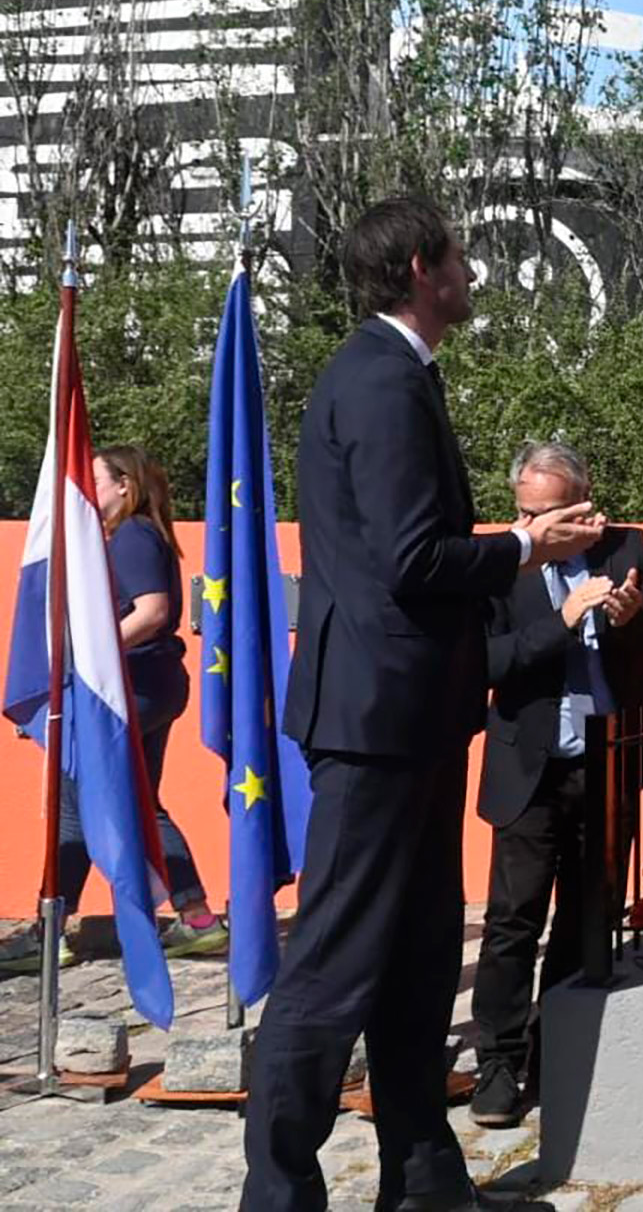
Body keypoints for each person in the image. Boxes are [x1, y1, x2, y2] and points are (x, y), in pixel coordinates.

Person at [242, 197, 604, 1212]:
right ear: (417, 269)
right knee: (333, 964)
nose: (470, 272)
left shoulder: (392, 374)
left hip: (413, 715)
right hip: (377, 724)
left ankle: (424, 1182)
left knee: (411, 960)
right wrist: (531, 547)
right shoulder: (381, 383)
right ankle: (277, 1193)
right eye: (458, 257)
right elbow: (412, 559)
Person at [468, 441, 643, 1129]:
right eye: (526, 511)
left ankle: (555, 1049)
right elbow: (486, 662)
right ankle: (497, 1064)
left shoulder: (627, 548)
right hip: (531, 766)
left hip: (606, 762)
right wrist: (560, 623)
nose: (536, 525)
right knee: (512, 922)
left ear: (584, 507)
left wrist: (629, 617)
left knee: (589, 915)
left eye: (550, 512)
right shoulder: (499, 563)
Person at [0, 446, 227, 973]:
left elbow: (152, 612)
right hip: (146, 685)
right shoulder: (139, 536)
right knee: (140, 802)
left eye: (95, 480)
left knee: (74, 806)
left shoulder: (133, 537)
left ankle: (50, 930)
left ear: (125, 485)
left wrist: (80, 663)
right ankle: (197, 918)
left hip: (127, 687)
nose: (86, 491)